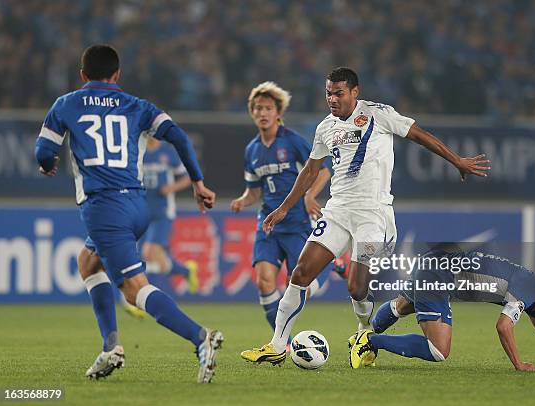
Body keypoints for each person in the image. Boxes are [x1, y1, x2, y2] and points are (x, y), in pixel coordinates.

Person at [240, 67, 490, 365]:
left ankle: (363, 332)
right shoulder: (325, 127)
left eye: (339, 93)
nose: (332, 98)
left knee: (356, 288)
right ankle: (277, 344)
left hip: (373, 213)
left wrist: (457, 160)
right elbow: (310, 170)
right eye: (328, 93)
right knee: (301, 272)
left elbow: (420, 136)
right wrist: (283, 208)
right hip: (338, 209)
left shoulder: (377, 114)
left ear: (354, 92)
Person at [35, 44, 223, 383]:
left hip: (105, 207)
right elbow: (179, 136)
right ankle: (111, 347)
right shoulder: (137, 106)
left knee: (135, 289)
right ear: (117, 75)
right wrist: (197, 181)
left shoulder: (66, 104)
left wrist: (48, 165)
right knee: (87, 263)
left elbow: (43, 151)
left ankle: (201, 338)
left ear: (82, 75)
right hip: (137, 205)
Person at [352, 248, 535, 371]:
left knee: (402, 306)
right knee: (439, 350)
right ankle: (371, 341)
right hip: (439, 275)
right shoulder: (529, 289)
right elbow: (503, 326)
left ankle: (361, 336)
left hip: (432, 263)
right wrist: (519, 364)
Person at [230, 82, 335, 336]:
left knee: (300, 287)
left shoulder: (293, 141)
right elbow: (254, 190)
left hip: (297, 223)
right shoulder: (252, 150)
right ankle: (282, 341)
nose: (262, 113)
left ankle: (334, 266)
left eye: (267, 108)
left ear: (278, 112)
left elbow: (323, 171)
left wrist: (310, 195)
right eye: (257, 108)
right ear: (252, 112)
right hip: (268, 224)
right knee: (265, 280)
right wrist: (243, 200)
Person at [141, 136, 195, 294]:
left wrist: (171, 188)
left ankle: (147, 296)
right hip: (142, 210)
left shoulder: (168, 152)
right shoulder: (139, 151)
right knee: (152, 257)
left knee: (149, 251)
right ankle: (186, 271)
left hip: (163, 211)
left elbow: (187, 177)